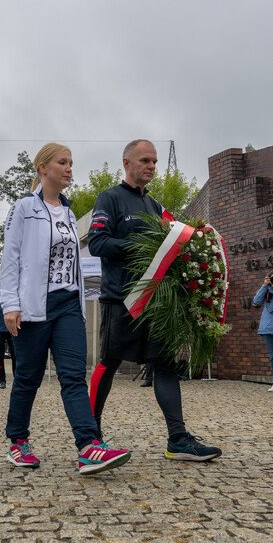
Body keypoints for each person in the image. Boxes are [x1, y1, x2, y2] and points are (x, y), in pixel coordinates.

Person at [0, 143, 130, 475]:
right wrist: (11, 304)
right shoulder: (24, 207)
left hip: (69, 304)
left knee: (73, 375)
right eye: (62, 162)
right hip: (33, 308)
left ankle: (88, 446)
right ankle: (18, 442)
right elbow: (11, 257)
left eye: (71, 162)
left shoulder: (70, 213)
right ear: (43, 168)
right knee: (28, 377)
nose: (69, 168)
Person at [88, 139, 222, 462]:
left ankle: (177, 439)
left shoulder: (155, 206)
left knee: (164, 366)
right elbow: (97, 243)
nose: (151, 166)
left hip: (155, 302)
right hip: (120, 299)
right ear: (127, 163)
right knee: (108, 364)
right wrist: (139, 248)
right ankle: (89, 438)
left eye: (155, 162)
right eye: (145, 160)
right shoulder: (110, 198)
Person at [0, 296, 14, 390]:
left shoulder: (12, 297)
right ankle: (2, 380)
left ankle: (16, 378)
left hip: (11, 329)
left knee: (15, 355)